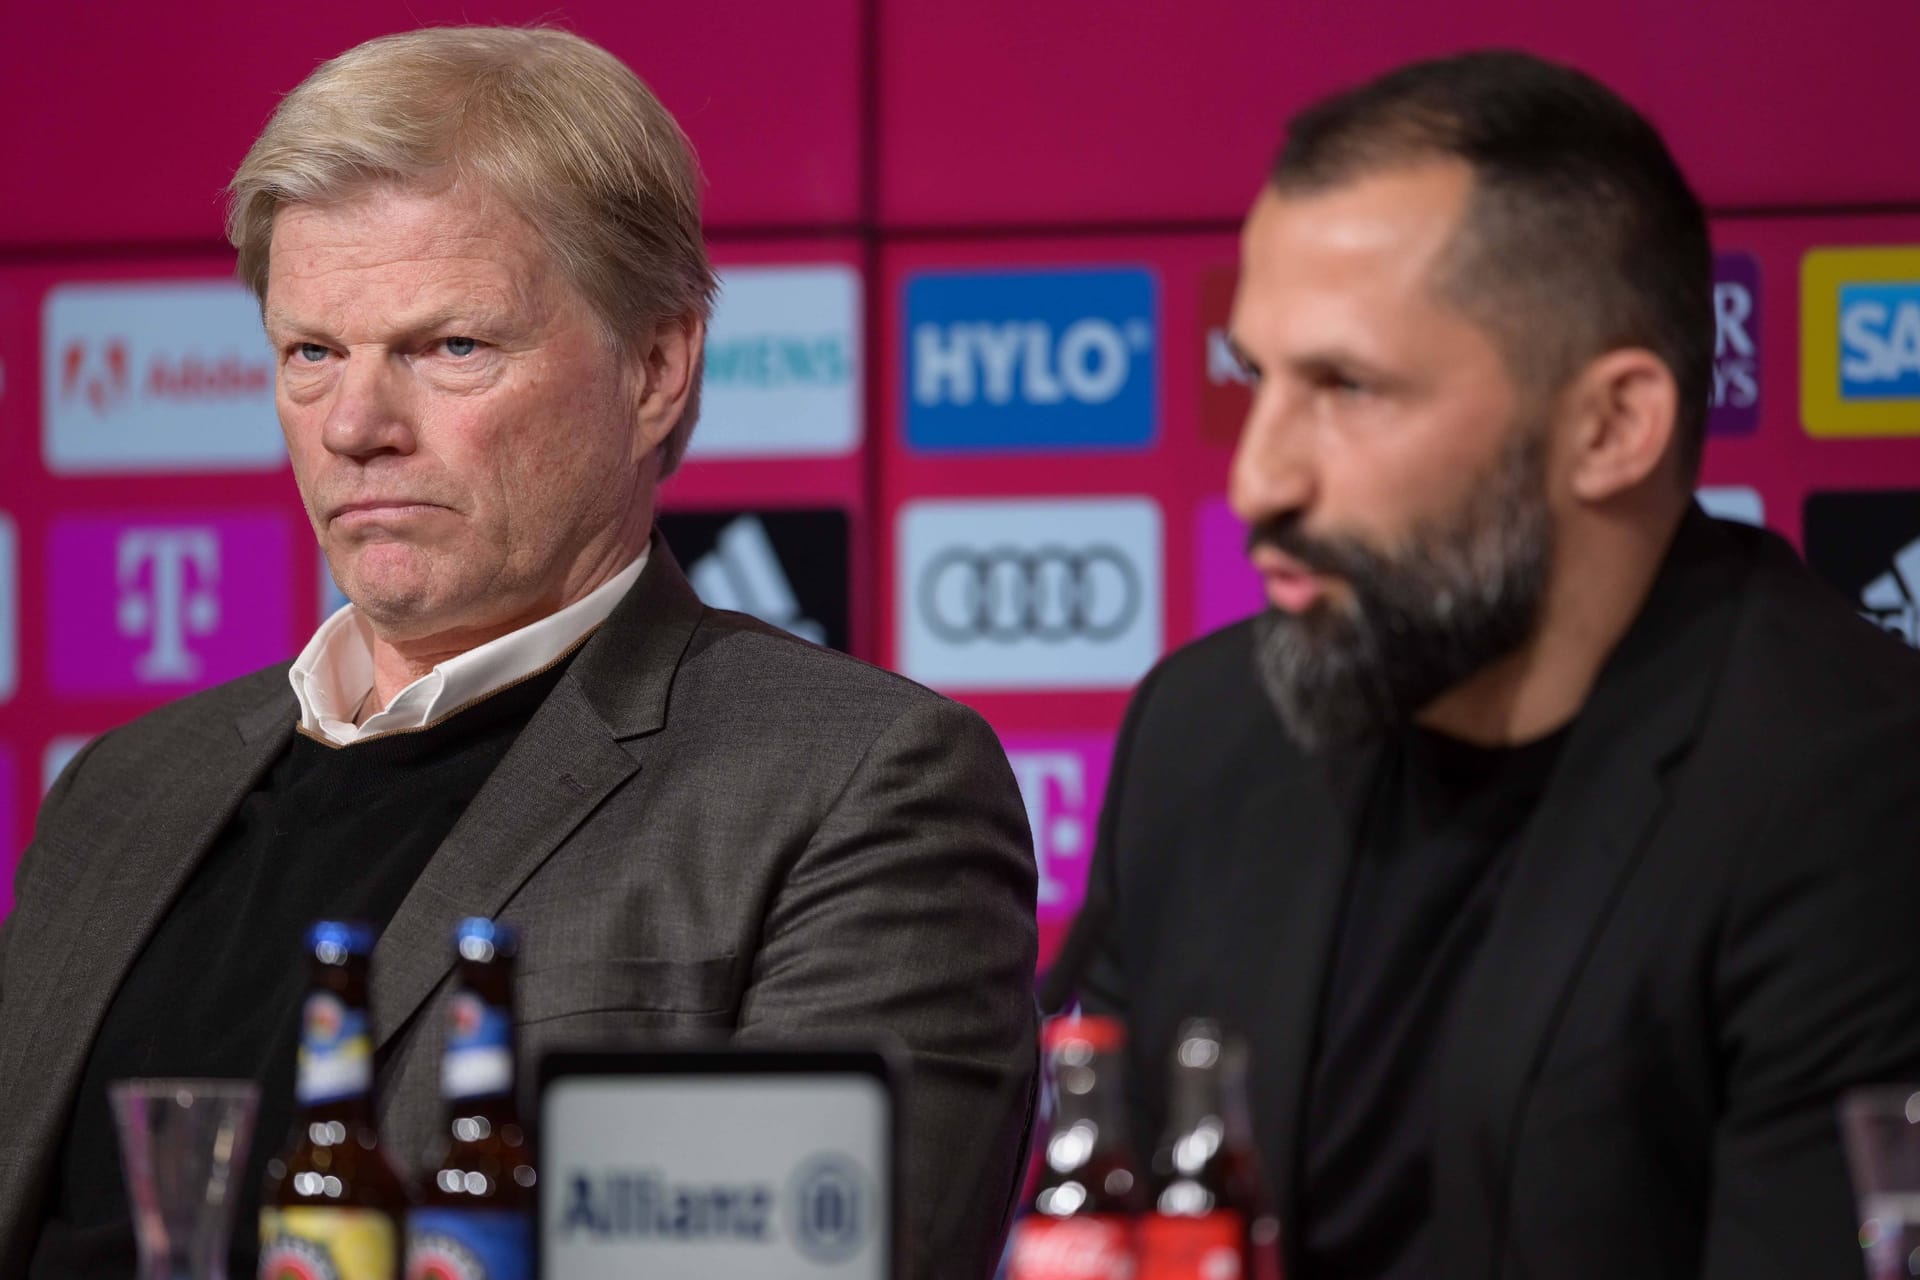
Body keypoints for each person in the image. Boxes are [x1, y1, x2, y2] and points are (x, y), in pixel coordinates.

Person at [0, 27, 1036, 1280]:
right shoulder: (119, 790)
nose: (356, 426)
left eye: (451, 347)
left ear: (654, 367)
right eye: (311, 353)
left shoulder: (855, 785)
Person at [1069, 50, 1920, 1280]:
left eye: (1348, 388)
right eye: (1259, 378)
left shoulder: (1850, 793)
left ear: (1611, 426)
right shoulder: (1206, 733)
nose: (1259, 478)